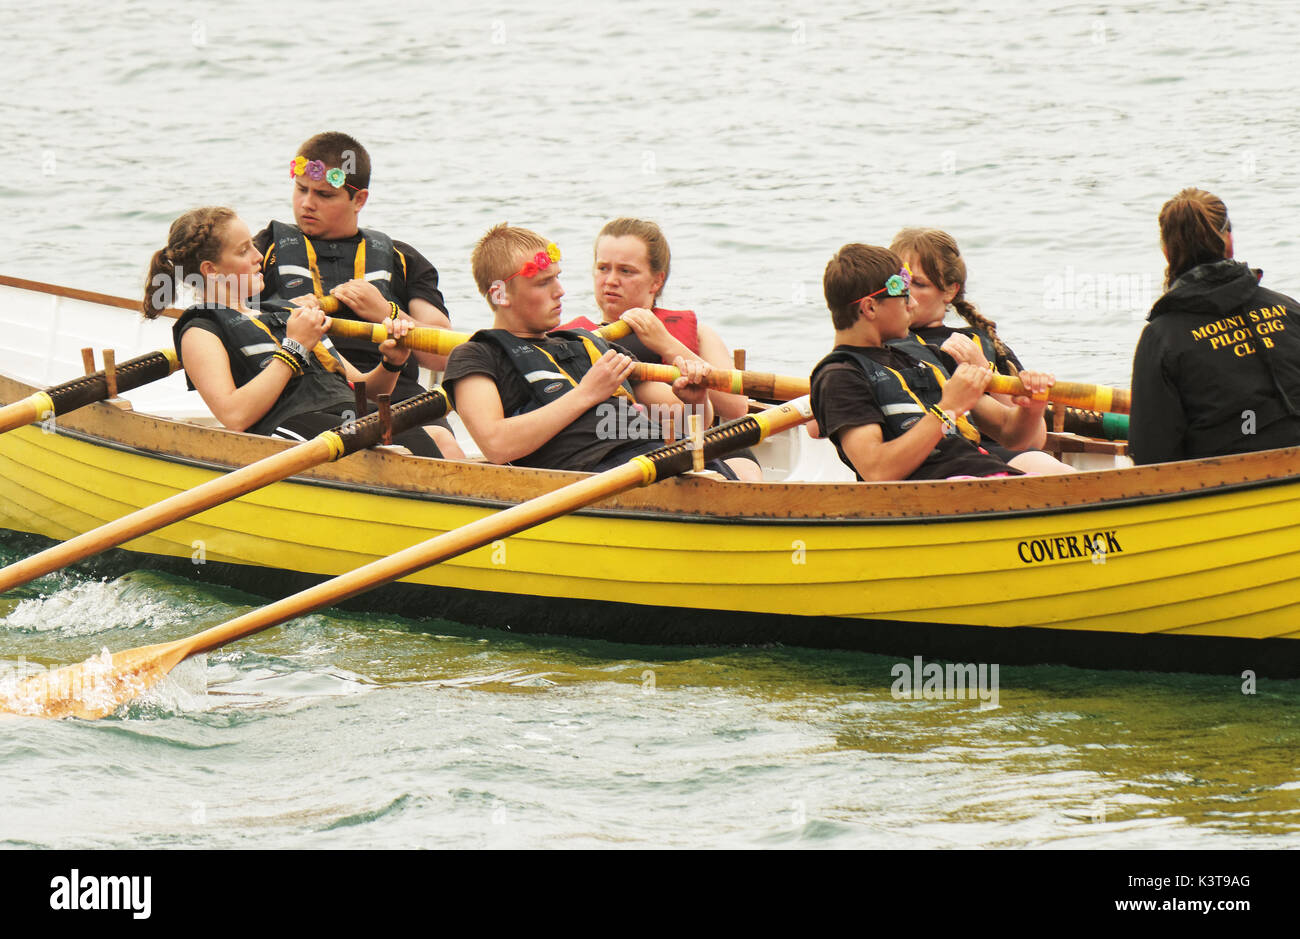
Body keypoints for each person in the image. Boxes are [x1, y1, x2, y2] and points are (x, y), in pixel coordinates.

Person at [142, 206, 462, 458]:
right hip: (298, 437)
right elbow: (234, 415)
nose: (258, 257)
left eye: (253, 247)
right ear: (210, 270)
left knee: (440, 439)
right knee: (412, 451)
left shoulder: (287, 314)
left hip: (350, 424)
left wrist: (392, 362)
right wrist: (295, 346)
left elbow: (362, 388)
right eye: (243, 251)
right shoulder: (201, 329)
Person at [442, 224, 734, 476]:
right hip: (598, 479)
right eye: (544, 283)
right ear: (500, 294)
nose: (560, 290)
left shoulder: (591, 343)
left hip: (662, 460)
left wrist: (697, 401)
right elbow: (496, 444)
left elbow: (688, 422)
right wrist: (586, 393)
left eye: (558, 277)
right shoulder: (477, 356)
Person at [809, 243, 1072, 481]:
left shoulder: (926, 359)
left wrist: (1032, 407)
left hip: (986, 478)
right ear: (870, 308)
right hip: (936, 498)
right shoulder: (840, 376)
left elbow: (1012, 435)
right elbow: (878, 470)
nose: (912, 304)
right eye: (904, 296)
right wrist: (947, 409)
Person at [254, 132, 453, 401]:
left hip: (393, 391)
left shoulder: (402, 258)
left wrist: (386, 311)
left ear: (359, 200)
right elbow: (228, 316)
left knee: (443, 441)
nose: (307, 203)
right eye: (301, 189)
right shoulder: (263, 249)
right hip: (304, 391)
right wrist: (282, 313)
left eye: (324, 195)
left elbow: (443, 357)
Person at [557, 217, 760, 480]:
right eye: (603, 268)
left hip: (709, 441)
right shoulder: (573, 341)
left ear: (656, 281)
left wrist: (666, 343)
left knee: (746, 487)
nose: (611, 280)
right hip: (623, 447)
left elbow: (736, 409)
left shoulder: (697, 333)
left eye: (626, 271)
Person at [1129, 188, 1300, 464]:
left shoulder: (1161, 339)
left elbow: (1151, 456)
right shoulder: (1289, 309)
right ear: (1228, 241)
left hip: (1224, 485)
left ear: (1166, 253)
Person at [888, 228, 1025, 376]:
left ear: (950, 291)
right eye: (898, 283)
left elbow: (1021, 399)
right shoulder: (875, 346)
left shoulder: (984, 345)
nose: (905, 293)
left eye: (919, 284)